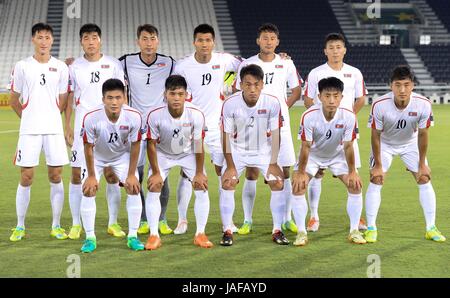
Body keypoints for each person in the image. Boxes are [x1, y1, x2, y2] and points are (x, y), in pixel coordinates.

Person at [233, 23, 302, 235]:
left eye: (272, 38)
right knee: (252, 170)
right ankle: (247, 220)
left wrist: (282, 109)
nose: (269, 41)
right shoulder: (248, 63)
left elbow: (297, 90)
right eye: (265, 37)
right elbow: (238, 91)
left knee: (286, 169)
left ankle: (287, 218)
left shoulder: (286, 63)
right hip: (253, 124)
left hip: (279, 125)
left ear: (277, 41)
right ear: (258, 41)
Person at [173, 24, 242, 234]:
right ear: (194, 42)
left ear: (214, 42)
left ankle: (227, 223)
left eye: (208, 40)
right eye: (200, 40)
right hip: (190, 126)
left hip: (218, 128)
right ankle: (182, 220)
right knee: (187, 174)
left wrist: (228, 84)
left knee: (224, 173)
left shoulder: (225, 60)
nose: (204, 44)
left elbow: (248, 66)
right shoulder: (183, 66)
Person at [364, 65, 446, 243]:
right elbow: (375, 135)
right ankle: (371, 227)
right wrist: (377, 165)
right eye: (398, 85)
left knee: (424, 178)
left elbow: (423, 134)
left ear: (413, 85)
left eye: (406, 85)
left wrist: (422, 163)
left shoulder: (423, 103)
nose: (402, 90)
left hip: (410, 143)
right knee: (376, 179)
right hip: (385, 144)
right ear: (390, 86)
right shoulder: (379, 105)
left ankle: (430, 227)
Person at [8, 23, 69, 242]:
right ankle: (19, 226)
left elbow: (63, 101)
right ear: (33, 40)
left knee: (56, 175)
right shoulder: (22, 66)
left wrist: (50, 116)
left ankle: (56, 225)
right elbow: (14, 100)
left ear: (52, 40)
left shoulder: (61, 67)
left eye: (47, 37)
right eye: (39, 37)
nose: (43, 41)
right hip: (29, 131)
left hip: (53, 130)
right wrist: (28, 118)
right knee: (26, 176)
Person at [65, 23, 126, 240]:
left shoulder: (113, 64)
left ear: (100, 40)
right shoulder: (73, 67)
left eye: (94, 37)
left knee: (112, 175)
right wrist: (68, 125)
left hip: (109, 128)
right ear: (81, 41)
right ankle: (75, 224)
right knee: (76, 175)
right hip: (82, 127)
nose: (90, 42)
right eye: (86, 38)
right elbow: (70, 97)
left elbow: (121, 95)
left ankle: (113, 223)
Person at [303, 33, 367, 232]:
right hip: (321, 133)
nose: (335, 51)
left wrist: (345, 120)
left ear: (344, 50)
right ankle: (314, 216)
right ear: (325, 51)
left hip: (346, 133)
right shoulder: (315, 73)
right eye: (331, 47)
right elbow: (307, 100)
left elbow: (360, 99)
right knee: (316, 174)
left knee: (353, 177)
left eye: (338, 47)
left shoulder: (354, 73)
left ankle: (357, 220)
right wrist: (324, 122)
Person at [291, 77, 366, 246]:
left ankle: (354, 230)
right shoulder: (309, 116)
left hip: (337, 156)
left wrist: (353, 171)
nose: (331, 100)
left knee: (355, 185)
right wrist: (301, 173)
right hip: (313, 156)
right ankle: (302, 232)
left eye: (335, 95)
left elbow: (348, 146)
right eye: (327, 96)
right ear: (319, 97)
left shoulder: (349, 116)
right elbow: (305, 147)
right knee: (298, 186)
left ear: (341, 97)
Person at [144, 75, 213, 250]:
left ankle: (200, 233)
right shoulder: (154, 114)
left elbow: (198, 144)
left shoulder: (196, 114)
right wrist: (156, 172)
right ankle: (154, 235)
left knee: (201, 186)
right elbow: (150, 144)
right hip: (162, 153)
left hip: (187, 153)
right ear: (165, 94)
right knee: (154, 186)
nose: (176, 98)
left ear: (186, 95)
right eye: (172, 93)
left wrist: (198, 173)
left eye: (180, 94)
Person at [119, 24, 176, 236]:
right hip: (135, 128)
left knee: (161, 176)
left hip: (160, 128)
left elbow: (191, 67)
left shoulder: (169, 62)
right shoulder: (126, 61)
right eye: (145, 39)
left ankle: (161, 219)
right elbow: (101, 65)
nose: (149, 43)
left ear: (158, 41)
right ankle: (143, 218)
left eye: (152, 38)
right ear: (138, 41)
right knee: (137, 175)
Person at [220, 64, 286, 246]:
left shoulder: (272, 102)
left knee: (278, 182)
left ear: (262, 85)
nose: (252, 89)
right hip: (237, 150)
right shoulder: (230, 104)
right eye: (248, 84)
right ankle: (227, 230)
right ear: (240, 84)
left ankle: (277, 229)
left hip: (263, 151)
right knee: (228, 182)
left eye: (256, 84)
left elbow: (276, 134)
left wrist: (273, 162)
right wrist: (231, 166)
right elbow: (224, 135)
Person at [79, 79, 144, 253]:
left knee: (134, 187)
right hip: (97, 157)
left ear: (124, 98)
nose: (114, 102)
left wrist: (131, 174)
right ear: (103, 99)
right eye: (109, 98)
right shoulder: (91, 117)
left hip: (121, 156)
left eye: (117, 97)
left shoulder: (134, 116)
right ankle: (90, 238)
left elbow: (136, 145)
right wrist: (92, 175)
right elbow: (88, 148)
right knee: (88, 189)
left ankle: (133, 236)